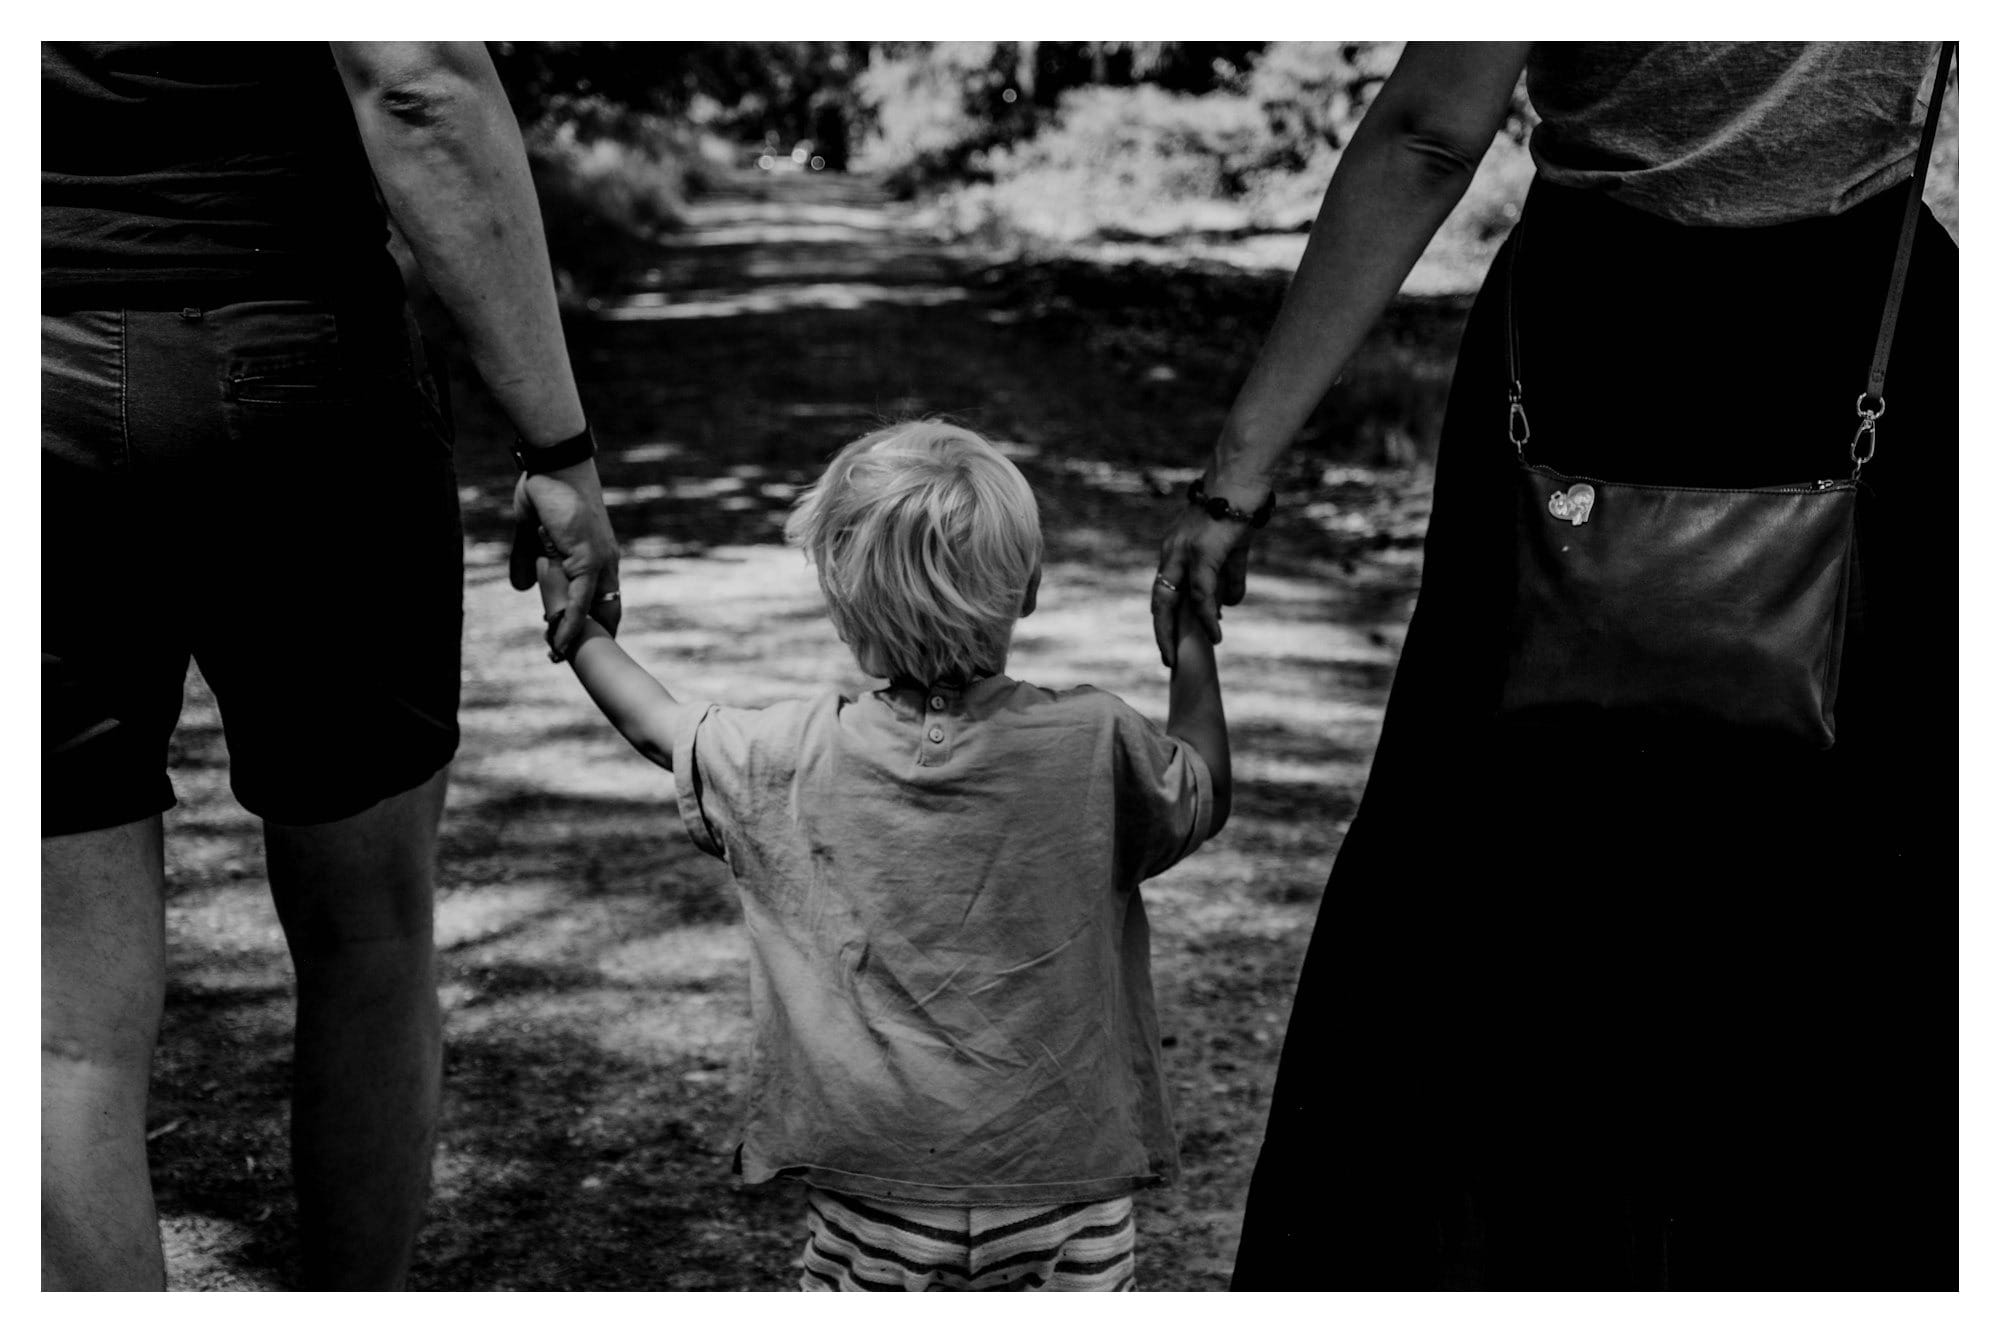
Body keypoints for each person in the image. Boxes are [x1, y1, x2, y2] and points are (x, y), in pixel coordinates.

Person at [1150, 42, 1957, 1290]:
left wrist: (1234, 484)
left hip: (1599, 344)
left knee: (1506, 875)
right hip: (1864, 342)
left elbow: (1429, 131)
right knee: (1849, 878)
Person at [42, 41, 620, 1289]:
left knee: (60, 1030)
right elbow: (416, 83)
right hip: (301, 384)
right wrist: (558, 446)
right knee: (367, 936)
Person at [533, 420, 1231, 1290]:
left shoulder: (797, 752)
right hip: (1065, 1183)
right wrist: (1193, 635)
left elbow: (660, 724)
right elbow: (1204, 785)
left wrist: (579, 625)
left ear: (840, 610)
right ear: (1030, 590)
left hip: (879, 1193)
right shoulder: (1099, 741)